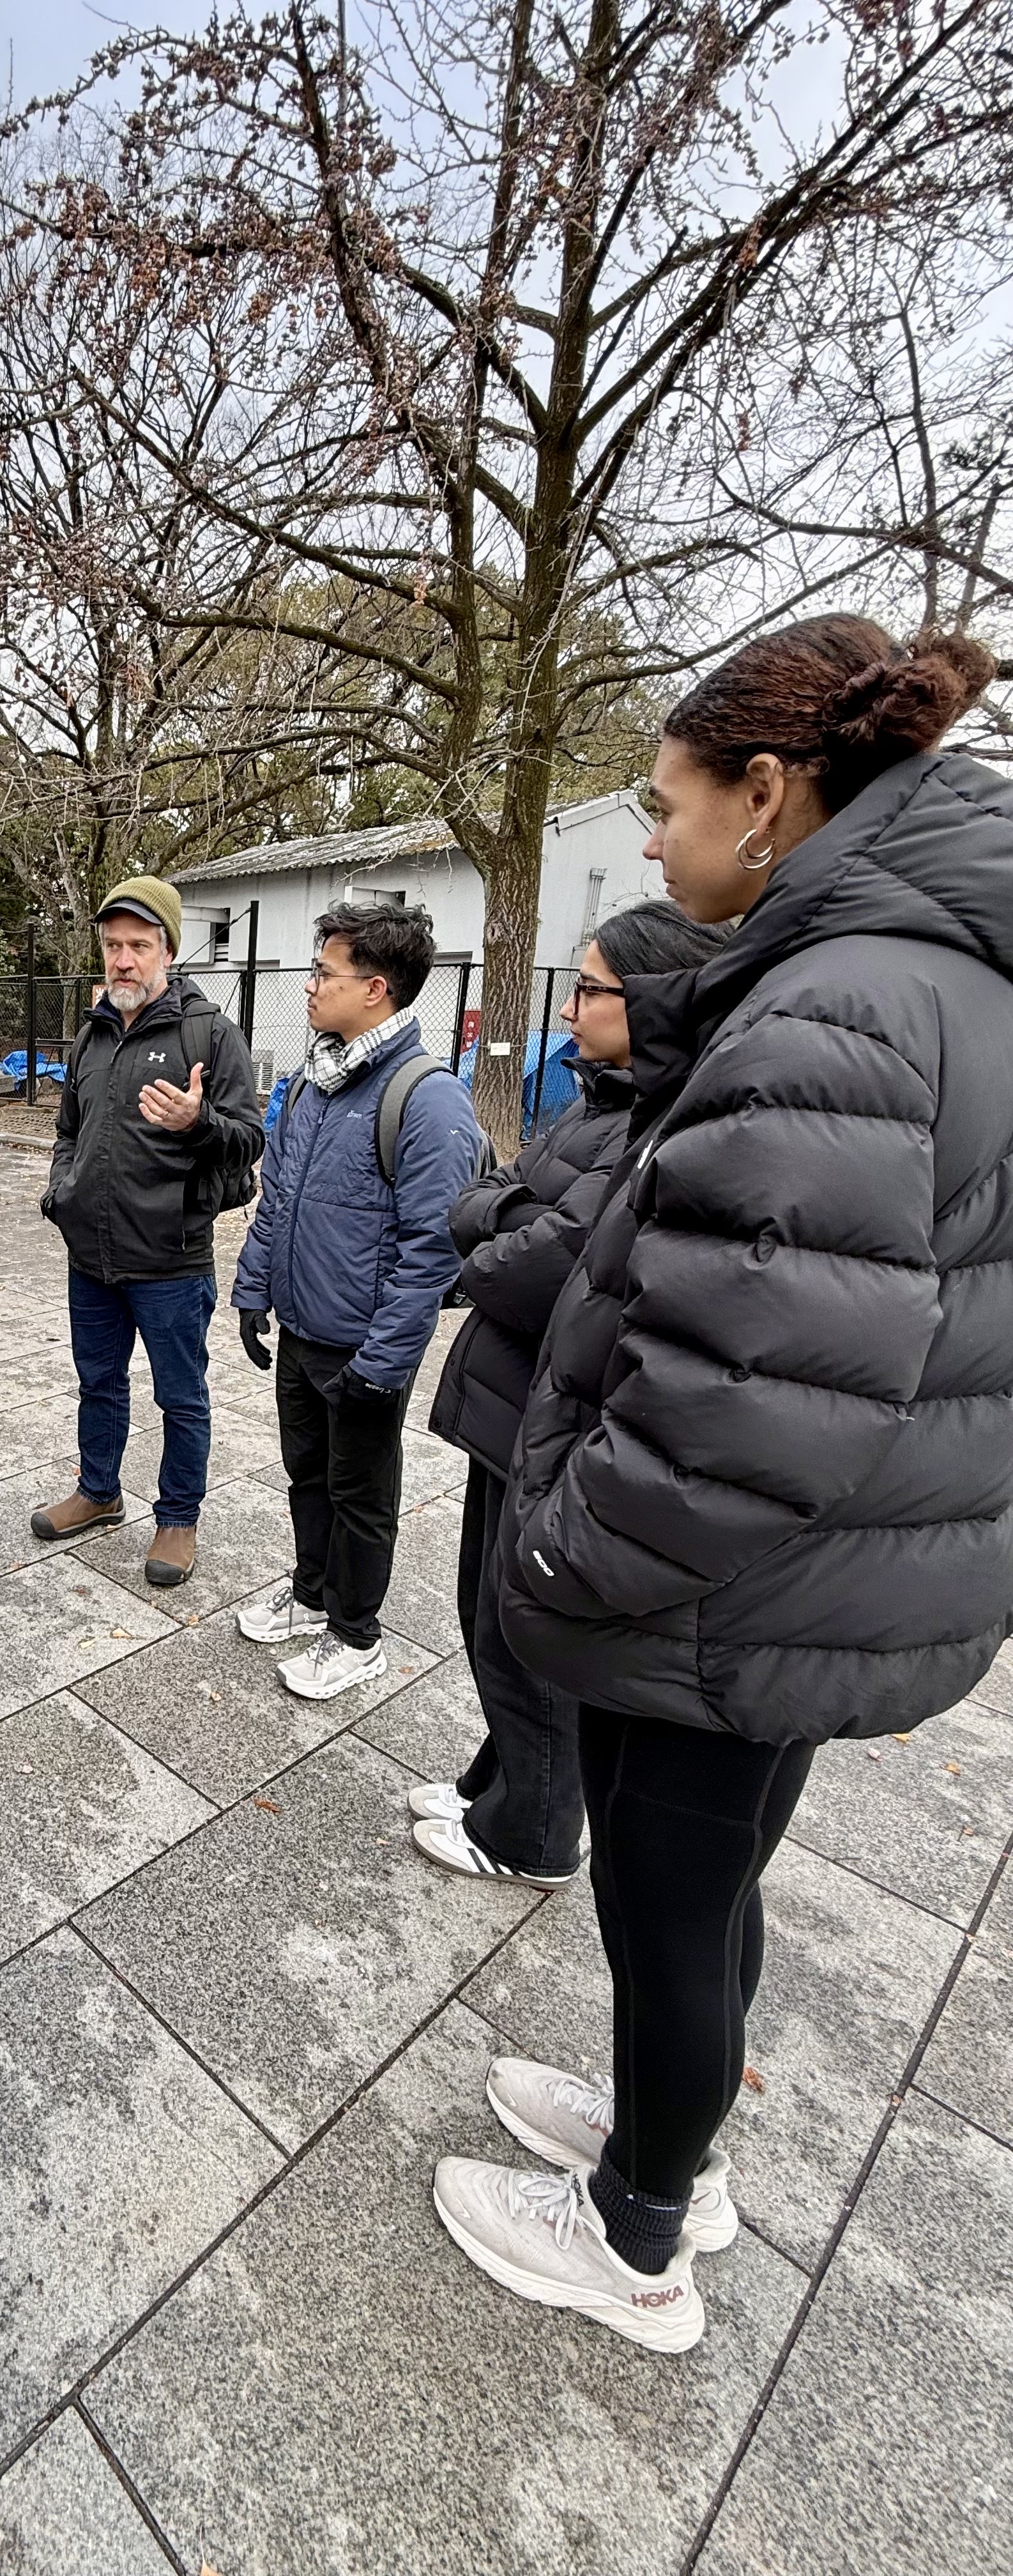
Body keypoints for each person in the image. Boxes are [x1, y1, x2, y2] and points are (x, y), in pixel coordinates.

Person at [432, 615, 1010, 2356]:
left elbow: (747, 1409)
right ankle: (669, 2142)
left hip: (728, 1591)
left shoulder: (845, 1006)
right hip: (838, 1569)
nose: (658, 838)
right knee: (715, 1890)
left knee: (669, 1906)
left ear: (771, 797)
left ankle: (637, 2235)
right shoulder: (939, 976)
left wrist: (556, 1560)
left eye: (672, 803)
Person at [418, 901, 728, 1882]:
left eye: (590, 989)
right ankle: (496, 1782)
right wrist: (502, 1219)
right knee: (485, 1609)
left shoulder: (663, 1120)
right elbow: (486, 1197)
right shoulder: (598, 1101)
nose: (569, 1010)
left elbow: (539, 1266)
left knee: (526, 1635)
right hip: (511, 1403)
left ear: (652, 999)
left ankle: (534, 1832)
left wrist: (492, 1235)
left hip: (557, 1421)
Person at [232, 902, 483, 1696]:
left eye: (324, 975)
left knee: (362, 1493)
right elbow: (278, 1199)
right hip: (303, 1328)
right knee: (307, 1472)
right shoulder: (317, 1076)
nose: (309, 987)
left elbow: (431, 1251)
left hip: (364, 1347)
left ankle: (355, 1631)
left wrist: (384, 1362)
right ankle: (312, 1594)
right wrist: (252, 1289)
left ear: (376, 989)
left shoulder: (427, 1097)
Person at [31, 873, 264, 1589]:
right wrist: (60, 1192)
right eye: (112, 946)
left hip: (171, 1259)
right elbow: (69, 1128)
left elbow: (251, 1138)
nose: (123, 960)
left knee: (180, 1396)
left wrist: (199, 1123)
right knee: (98, 1382)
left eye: (138, 945)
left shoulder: (210, 1033)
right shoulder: (93, 1033)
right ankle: (99, 1492)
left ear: (168, 948)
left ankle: (178, 1518)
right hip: (91, 1255)